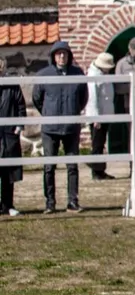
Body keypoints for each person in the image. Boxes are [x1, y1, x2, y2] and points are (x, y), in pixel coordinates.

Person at [31, 41, 88, 213]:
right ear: (53, 56)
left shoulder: (78, 74)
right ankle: (50, 202)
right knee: (49, 166)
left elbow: (83, 98)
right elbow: (37, 98)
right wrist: (49, 113)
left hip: (71, 127)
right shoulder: (43, 75)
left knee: (72, 166)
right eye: (58, 54)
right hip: (50, 129)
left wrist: (73, 112)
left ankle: (73, 201)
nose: (62, 57)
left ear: (69, 56)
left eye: (65, 54)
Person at [85, 51, 119, 180]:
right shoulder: (93, 76)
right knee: (97, 144)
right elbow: (93, 98)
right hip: (98, 116)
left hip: (105, 114)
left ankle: (100, 169)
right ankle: (97, 171)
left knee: (100, 143)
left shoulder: (103, 74)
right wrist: (96, 118)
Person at [0, 55, 26, 216]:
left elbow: (20, 106)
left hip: (9, 134)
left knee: (8, 173)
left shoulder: (12, 85)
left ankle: (8, 205)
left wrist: (19, 125)